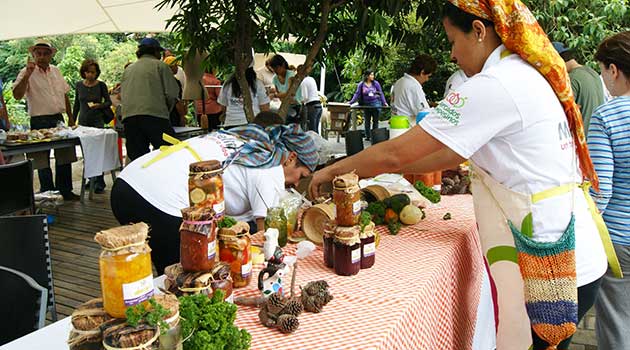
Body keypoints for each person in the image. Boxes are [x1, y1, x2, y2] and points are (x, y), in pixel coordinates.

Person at [310, 2, 613, 349]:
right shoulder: (521, 74)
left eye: (453, 40)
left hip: (551, 264)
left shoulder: (496, 84)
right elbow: (450, 152)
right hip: (569, 256)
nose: (452, 55)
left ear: (480, 32)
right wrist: (398, 167)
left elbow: (395, 153)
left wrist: (334, 170)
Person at [110, 119, 317, 273]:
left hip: (127, 183)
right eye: (302, 176)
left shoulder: (251, 143)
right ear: (291, 158)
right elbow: (265, 237)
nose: (297, 184)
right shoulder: (269, 168)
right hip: (161, 200)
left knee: (159, 271)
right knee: (187, 276)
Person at [587, 31, 630, 350]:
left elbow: (600, 192)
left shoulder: (607, 116)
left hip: (620, 240)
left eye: (603, 71)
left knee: (617, 324)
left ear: (613, 70)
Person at [12, 39, 79, 200]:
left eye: (45, 53)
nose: (41, 57)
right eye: (38, 53)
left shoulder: (56, 71)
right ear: (33, 54)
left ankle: (65, 190)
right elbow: (17, 95)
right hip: (39, 120)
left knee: (64, 155)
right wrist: (27, 75)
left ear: (50, 55)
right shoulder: (26, 71)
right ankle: (47, 191)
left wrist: (70, 117)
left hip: (58, 118)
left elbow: (64, 94)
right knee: (41, 158)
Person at [120, 38, 180, 161]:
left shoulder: (128, 69)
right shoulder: (161, 66)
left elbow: (122, 95)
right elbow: (172, 94)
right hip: (155, 116)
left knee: (138, 160)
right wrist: (166, 109)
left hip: (130, 119)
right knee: (169, 153)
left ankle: (140, 180)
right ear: (155, 51)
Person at [72, 59, 112, 193]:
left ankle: (99, 181)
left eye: (93, 72)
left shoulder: (101, 85)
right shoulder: (79, 85)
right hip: (83, 120)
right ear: (84, 72)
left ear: (96, 73)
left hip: (97, 120)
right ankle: (91, 178)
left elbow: (108, 102)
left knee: (98, 151)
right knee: (87, 152)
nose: (90, 75)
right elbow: (76, 104)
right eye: (88, 72)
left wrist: (99, 105)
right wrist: (72, 121)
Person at [553, 42, 606, 133]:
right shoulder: (593, 72)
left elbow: (561, 113)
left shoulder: (571, 79)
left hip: (583, 141)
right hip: (598, 137)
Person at [391, 54, 437, 125]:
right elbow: (423, 115)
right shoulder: (413, 86)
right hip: (407, 128)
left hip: (396, 126)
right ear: (422, 72)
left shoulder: (400, 82)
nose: (427, 79)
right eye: (428, 76)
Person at [348, 70, 388, 141]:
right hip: (366, 104)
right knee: (367, 120)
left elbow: (380, 93)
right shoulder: (361, 84)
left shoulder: (376, 83)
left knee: (375, 121)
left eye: (373, 75)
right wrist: (351, 102)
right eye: (371, 75)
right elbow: (357, 94)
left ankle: (375, 136)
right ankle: (368, 136)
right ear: (367, 76)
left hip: (375, 103)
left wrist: (384, 102)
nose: (373, 76)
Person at [268, 55, 302, 124]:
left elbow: (289, 94)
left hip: (295, 106)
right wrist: (278, 95)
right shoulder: (275, 78)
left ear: (283, 65)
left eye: (276, 68)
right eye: (273, 69)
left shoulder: (291, 75)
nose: (275, 71)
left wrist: (275, 95)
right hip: (285, 106)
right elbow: (281, 96)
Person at [195, 66, 222, 131]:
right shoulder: (215, 81)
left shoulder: (198, 80)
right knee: (214, 129)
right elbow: (220, 97)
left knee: (202, 129)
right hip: (213, 110)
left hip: (199, 109)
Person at [163, 56, 187, 127]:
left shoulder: (161, 80)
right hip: (174, 114)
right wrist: (182, 116)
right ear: (170, 67)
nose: (177, 68)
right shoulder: (174, 81)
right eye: (176, 65)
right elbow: (176, 100)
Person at [298, 66, 323, 133]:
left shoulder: (303, 81)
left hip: (311, 107)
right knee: (316, 130)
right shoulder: (311, 79)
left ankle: (313, 143)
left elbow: (305, 97)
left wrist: (299, 101)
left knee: (312, 131)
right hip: (318, 106)